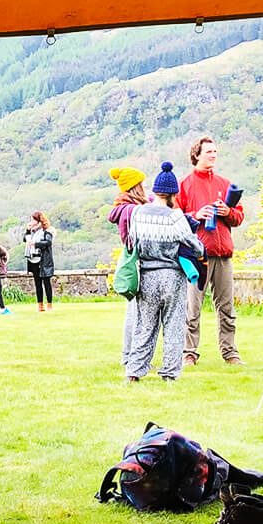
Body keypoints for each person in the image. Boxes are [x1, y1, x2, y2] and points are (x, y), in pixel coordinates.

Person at [112, 162, 205, 382]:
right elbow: (195, 246)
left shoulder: (138, 214)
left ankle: (134, 371)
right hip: (172, 277)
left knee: (144, 325)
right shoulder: (175, 216)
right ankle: (170, 373)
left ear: (155, 191)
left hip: (146, 276)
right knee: (173, 325)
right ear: (173, 194)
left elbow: (132, 243)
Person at [177, 135, 245, 365]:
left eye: (215, 152)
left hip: (223, 253)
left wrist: (227, 212)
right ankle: (189, 353)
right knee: (192, 307)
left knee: (226, 307)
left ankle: (230, 353)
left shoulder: (225, 184)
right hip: (197, 255)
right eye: (209, 152)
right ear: (197, 155)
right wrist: (196, 215)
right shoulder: (184, 184)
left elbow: (238, 217)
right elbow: (175, 219)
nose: (213, 155)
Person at [22, 211, 56, 312]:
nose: (31, 221)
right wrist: (27, 230)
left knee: (46, 282)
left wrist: (35, 244)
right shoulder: (32, 231)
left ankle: (49, 304)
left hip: (43, 260)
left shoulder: (47, 230)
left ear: (39, 221)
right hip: (33, 260)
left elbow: (48, 242)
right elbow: (25, 239)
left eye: (33, 219)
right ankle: (40, 305)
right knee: (37, 283)